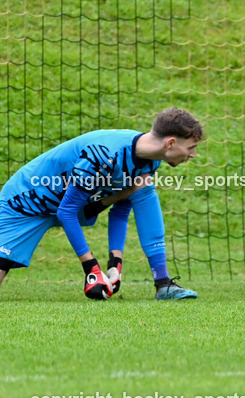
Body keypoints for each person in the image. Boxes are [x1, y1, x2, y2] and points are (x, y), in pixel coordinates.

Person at [0, 107, 205, 300]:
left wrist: (115, 264)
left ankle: (163, 283)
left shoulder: (152, 159)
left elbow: (121, 208)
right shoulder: (103, 154)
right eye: (191, 147)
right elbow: (66, 212)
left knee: (144, 190)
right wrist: (92, 269)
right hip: (25, 203)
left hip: (75, 203)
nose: (193, 154)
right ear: (170, 143)